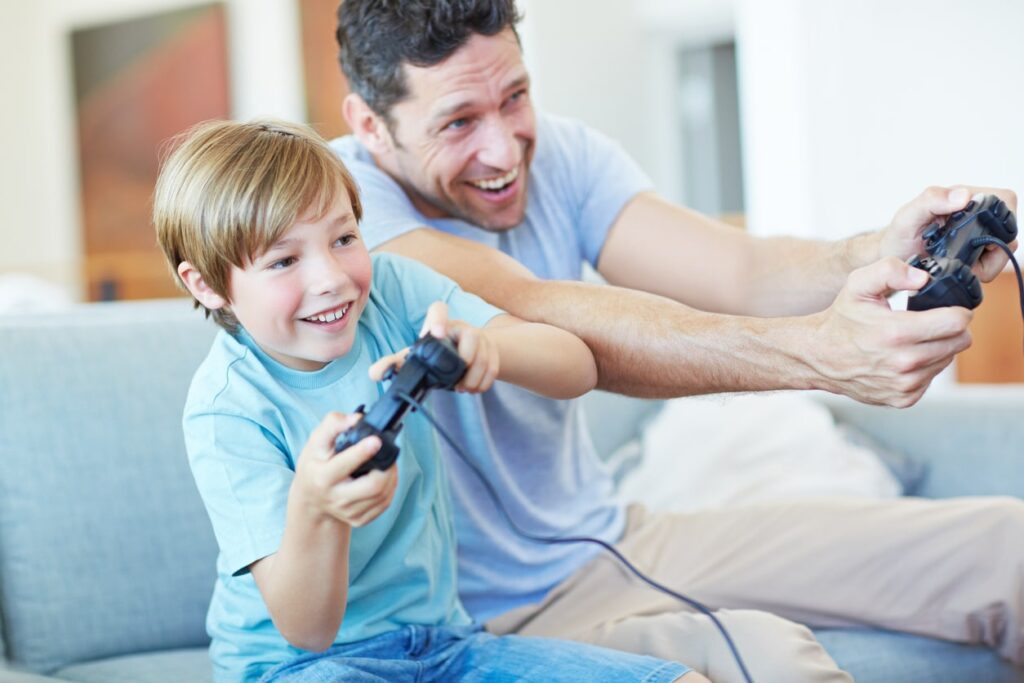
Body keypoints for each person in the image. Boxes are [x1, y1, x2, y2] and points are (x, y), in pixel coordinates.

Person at [331, 1, 1024, 681]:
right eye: (458, 122)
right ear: (371, 125)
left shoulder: (561, 156)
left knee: (1008, 547)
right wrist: (822, 355)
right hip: (475, 624)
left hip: (615, 544)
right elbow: (546, 312)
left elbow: (739, 272)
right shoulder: (334, 223)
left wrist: (883, 249)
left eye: (515, 97)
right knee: (769, 657)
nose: (504, 148)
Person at [153, 119, 702, 683]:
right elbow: (307, 629)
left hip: (447, 644)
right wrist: (318, 510)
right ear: (206, 284)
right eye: (283, 260)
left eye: (344, 239)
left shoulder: (391, 290)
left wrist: (489, 348)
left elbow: (576, 366)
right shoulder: (227, 410)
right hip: (300, 667)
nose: (333, 279)